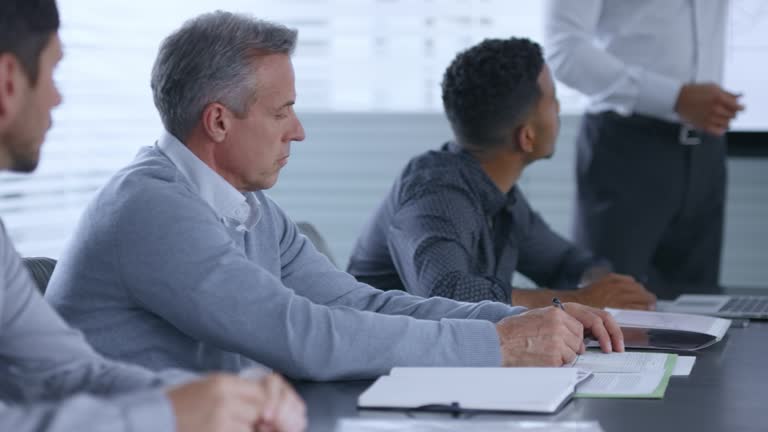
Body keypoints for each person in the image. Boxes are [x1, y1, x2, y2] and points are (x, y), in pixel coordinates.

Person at [45, 12, 625, 381]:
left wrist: (518, 320)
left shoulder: (248, 209)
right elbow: (301, 336)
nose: (298, 131)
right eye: (282, 112)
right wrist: (498, 344)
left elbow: (361, 304)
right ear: (218, 122)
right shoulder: (151, 208)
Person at [0, 2, 305, 431]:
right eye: (51, 74)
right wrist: (170, 413)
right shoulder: (148, 204)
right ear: (9, 83)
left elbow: (68, 374)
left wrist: (225, 397)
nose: (57, 97)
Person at [347, 38, 656, 311]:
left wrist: (607, 288)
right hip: (384, 372)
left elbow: (565, 263)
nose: (559, 108)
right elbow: (446, 297)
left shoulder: (500, 195)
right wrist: (580, 301)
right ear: (527, 137)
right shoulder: (433, 194)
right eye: (552, 100)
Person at [544, 0, 743, 299]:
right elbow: (564, 49)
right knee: (608, 309)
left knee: (700, 311)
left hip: (706, 147)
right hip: (626, 146)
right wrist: (673, 97)